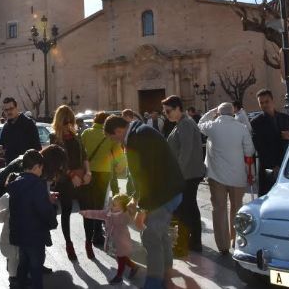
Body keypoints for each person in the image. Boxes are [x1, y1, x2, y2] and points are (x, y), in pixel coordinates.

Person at [104, 115, 184, 289]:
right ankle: (167, 274)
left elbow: (147, 175)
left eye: (113, 137)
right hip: (169, 192)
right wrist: (134, 197)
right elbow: (140, 175)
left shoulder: (136, 138)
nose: (115, 142)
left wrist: (143, 209)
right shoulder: (138, 132)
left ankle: (154, 283)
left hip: (163, 195)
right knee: (160, 235)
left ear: (118, 131)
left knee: (150, 236)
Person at [198, 102, 255, 255]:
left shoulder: (213, 126)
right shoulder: (241, 127)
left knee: (219, 210)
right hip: (238, 177)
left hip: (216, 177)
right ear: (232, 113)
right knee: (237, 209)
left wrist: (211, 110)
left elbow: (200, 123)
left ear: (219, 113)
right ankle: (236, 240)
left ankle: (223, 245)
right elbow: (250, 151)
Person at [8, 150, 58, 289]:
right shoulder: (37, 185)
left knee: (23, 262)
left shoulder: (16, 183)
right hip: (35, 234)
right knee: (36, 268)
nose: (42, 171)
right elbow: (43, 210)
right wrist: (52, 210)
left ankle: (20, 284)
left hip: (19, 233)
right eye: (41, 168)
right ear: (37, 166)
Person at [162, 95, 205, 253]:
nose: (166, 115)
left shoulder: (185, 124)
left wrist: (177, 175)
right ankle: (192, 242)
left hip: (187, 174)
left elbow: (185, 152)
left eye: (168, 111)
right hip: (187, 173)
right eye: (165, 112)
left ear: (178, 108)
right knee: (188, 208)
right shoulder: (181, 123)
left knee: (186, 209)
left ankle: (188, 242)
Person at [50, 105, 91, 261]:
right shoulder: (55, 138)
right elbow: (57, 163)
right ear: (59, 121)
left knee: (87, 212)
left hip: (82, 178)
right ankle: (69, 244)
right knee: (66, 211)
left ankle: (89, 243)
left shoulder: (77, 136)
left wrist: (88, 172)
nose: (68, 125)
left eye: (71, 121)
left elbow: (85, 156)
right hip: (65, 180)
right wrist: (72, 174)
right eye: (65, 121)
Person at [81, 111, 126, 248]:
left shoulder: (86, 133)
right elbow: (119, 153)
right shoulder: (109, 135)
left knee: (88, 203)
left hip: (87, 172)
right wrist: (121, 167)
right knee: (99, 204)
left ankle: (88, 236)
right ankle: (97, 234)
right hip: (104, 172)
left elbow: (81, 152)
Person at [80, 194, 140, 285]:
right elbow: (97, 213)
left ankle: (119, 277)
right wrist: (86, 213)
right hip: (112, 240)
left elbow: (132, 215)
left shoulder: (125, 215)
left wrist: (133, 207)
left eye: (114, 205)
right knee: (119, 257)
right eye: (112, 203)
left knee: (120, 258)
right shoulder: (108, 213)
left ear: (123, 207)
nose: (111, 206)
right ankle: (134, 266)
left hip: (122, 241)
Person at [251, 89, 289, 196]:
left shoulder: (286, 118)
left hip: (287, 165)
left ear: (272, 101)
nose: (264, 105)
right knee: (268, 197)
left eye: (266, 102)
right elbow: (259, 147)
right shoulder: (256, 122)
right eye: (261, 103)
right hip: (268, 168)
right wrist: (273, 165)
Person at [0, 172, 21, 288]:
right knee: (19, 255)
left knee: (12, 256)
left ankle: (13, 278)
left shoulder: (6, 197)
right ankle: (21, 276)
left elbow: (0, 219)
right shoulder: (27, 194)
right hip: (24, 231)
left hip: (9, 231)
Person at [0, 97, 42, 165]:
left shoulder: (28, 124)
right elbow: (1, 144)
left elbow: (37, 147)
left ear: (16, 108)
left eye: (11, 108)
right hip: (10, 167)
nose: (9, 112)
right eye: (6, 110)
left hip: (26, 168)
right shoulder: (6, 126)